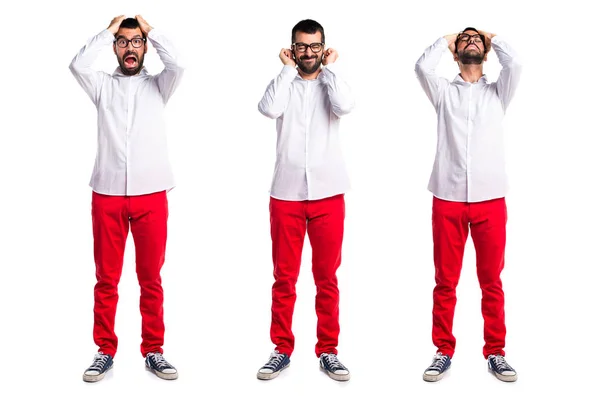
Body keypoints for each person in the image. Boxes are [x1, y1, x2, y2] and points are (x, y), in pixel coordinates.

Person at [70, 14, 184, 382]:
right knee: (107, 278)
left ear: (145, 47)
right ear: (115, 48)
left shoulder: (160, 85)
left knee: (150, 278)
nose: (129, 47)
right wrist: (107, 31)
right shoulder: (102, 85)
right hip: (107, 195)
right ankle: (104, 350)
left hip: (152, 195)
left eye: (136, 42)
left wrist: (150, 30)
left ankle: (154, 350)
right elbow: (77, 63)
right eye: (123, 42)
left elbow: (179, 62)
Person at [415, 27, 522, 383]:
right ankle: (443, 350)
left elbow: (516, 64)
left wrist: (492, 37)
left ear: (488, 51)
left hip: (491, 199)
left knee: (491, 280)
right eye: (465, 40)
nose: (471, 41)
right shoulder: (444, 92)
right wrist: (447, 39)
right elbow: (421, 67)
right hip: (447, 197)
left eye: (477, 40)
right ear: (456, 52)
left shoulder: (497, 93)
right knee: (445, 281)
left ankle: (496, 352)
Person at [256, 19, 354, 382]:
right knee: (284, 278)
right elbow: (268, 109)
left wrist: (330, 69)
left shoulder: (331, 83)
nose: (308, 53)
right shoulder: (284, 84)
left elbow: (346, 105)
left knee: (326, 277)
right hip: (286, 194)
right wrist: (284, 70)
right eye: (301, 46)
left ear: (324, 48)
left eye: (315, 46)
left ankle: (328, 350)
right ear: (292, 49)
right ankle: (281, 349)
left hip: (329, 194)